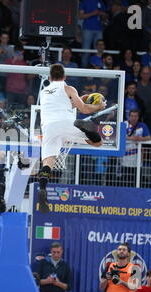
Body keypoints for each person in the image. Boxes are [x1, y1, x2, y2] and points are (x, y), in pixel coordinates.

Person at [37, 64, 105, 213]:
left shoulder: (43, 92)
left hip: (48, 128)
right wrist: (99, 107)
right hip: (66, 123)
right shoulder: (68, 88)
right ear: (64, 77)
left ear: (49, 78)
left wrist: (80, 99)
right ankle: (87, 128)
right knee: (98, 143)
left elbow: (61, 105)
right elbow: (85, 109)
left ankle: (42, 188)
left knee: (48, 162)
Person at [121, 110, 151, 187]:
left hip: (137, 158)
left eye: (135, 116)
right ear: (129, 116)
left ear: (138, 117)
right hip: (125, 158)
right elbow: (119, 136)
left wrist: (140, 139)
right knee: (125, 180)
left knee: (137, 180)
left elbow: (149, 138)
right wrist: (132, 138)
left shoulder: (142, 125)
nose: (134, 118)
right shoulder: (124, 124)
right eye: (132, 116)